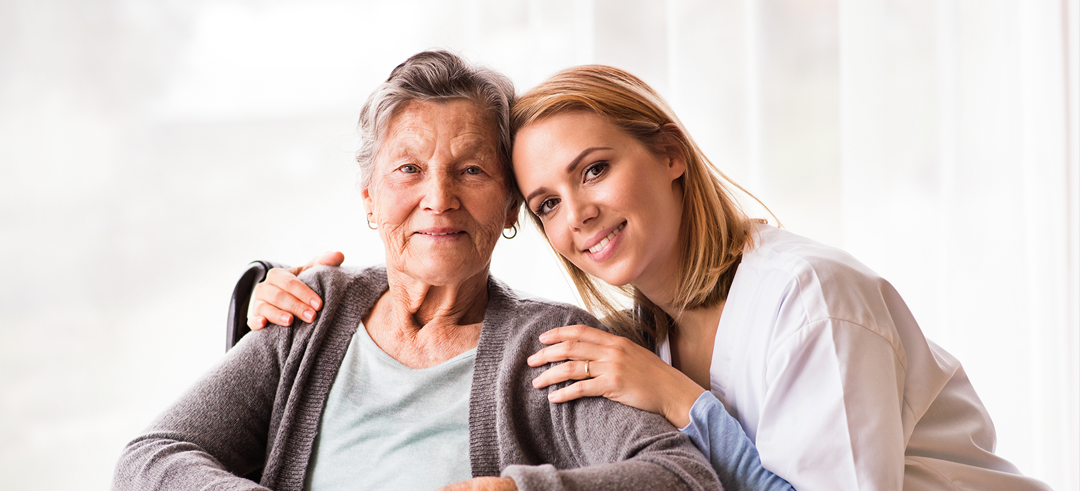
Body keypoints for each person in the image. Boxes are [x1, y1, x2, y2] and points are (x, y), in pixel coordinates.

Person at [255, 64, 1053, 490]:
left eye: (595, 169)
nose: (579, 217)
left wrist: (679, 400)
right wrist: (257, 293)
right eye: (548, 202)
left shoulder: (809, 301)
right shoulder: (647, 333)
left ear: (670, 153)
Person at [112, 51, 725, 491]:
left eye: (471, 170)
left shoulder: (549, 346)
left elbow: (683, 477)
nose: (439, 197)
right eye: (408, 169)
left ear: (510, 207)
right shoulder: (309, 309)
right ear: (370, 198)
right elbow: (150, 459)